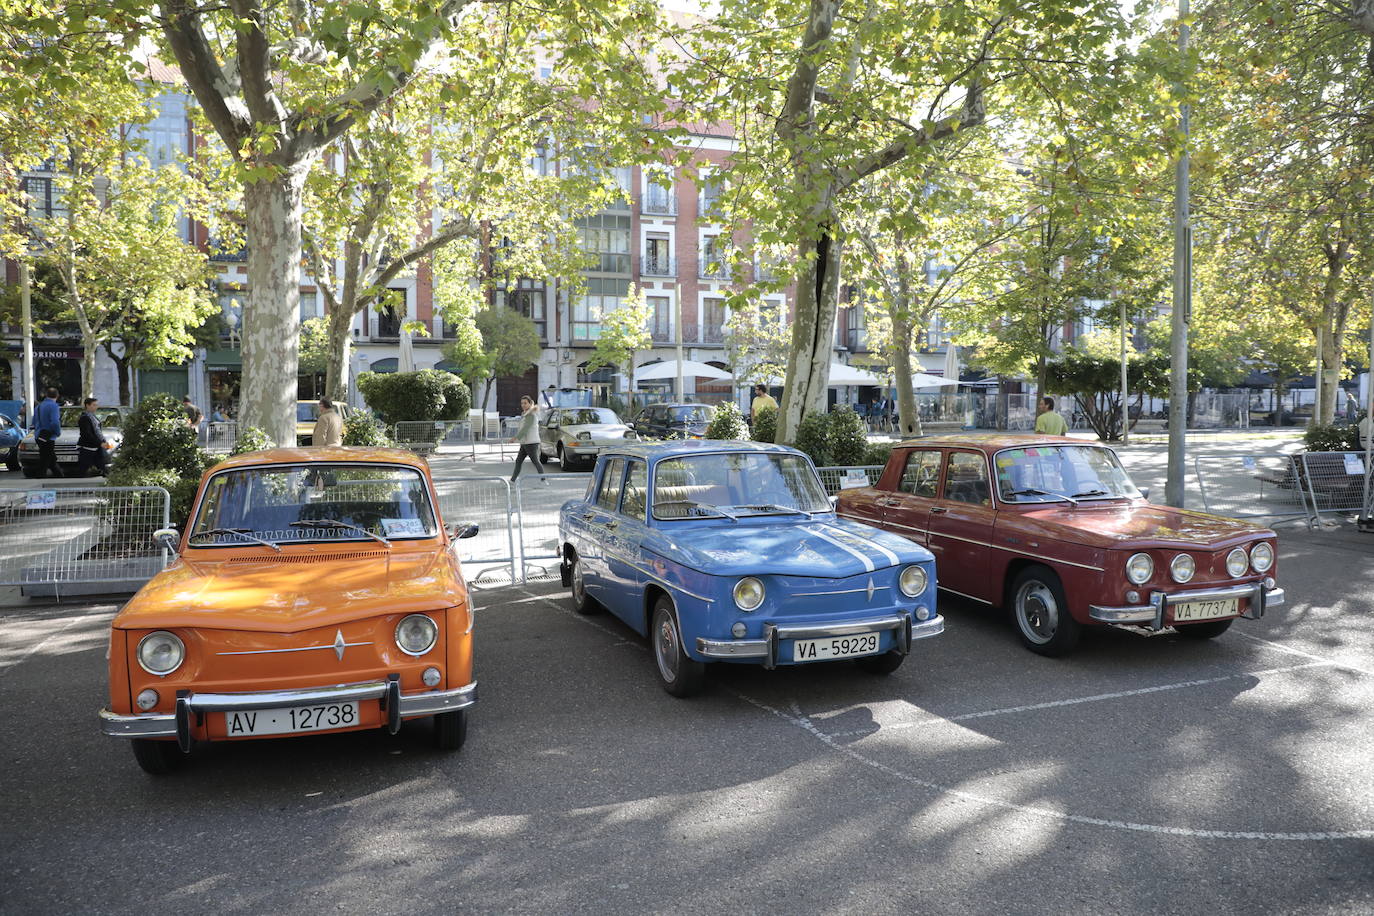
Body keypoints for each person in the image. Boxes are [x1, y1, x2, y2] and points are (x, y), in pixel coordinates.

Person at [509, 395, 548, 484]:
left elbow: (525, 429)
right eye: (522, 403)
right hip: (525, 442)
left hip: (531, 443)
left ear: (530, 403)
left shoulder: (531, 415)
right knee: (518, 461)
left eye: (525, 403)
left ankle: (544, 480)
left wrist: (515, 438)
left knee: (535, 462)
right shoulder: (525, 414)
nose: (523, 405)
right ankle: (512, 481)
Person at [76, 396, 109, 477]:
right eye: (94, 405)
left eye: (96, 405)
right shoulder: (84, 418)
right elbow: (87, 434)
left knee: (102, 467)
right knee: (83, 470)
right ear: (87, 405)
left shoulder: (93, 417)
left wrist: (102, 441)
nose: (96, 407)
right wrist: (100, 443)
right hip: (87, 447)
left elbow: (97, 431)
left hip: (96, 447)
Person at [34, 387, 62, 478]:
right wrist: (58, 432)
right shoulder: (54, 406)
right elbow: (55, 422)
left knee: (50, 460)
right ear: (57, 396)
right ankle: (40, 479)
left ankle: (60, 477)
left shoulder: (39, 406)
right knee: (45, 461)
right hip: (49, 437)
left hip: (39, 436)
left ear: (46, 395)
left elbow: (34, 421)